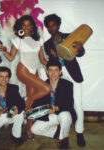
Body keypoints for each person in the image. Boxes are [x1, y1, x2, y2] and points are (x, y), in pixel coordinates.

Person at [2, 15, 51, 138]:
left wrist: (53, 64)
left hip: (34, 72)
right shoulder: (18, 40)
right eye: (24, 25)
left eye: (29, 25)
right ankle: (24, 103)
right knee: (46, 89)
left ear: (33, 27)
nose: (27, 27)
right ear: (20, 27)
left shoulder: (38, 40)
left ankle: (28, 128)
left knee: (32, 99)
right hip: (23, 70)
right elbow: (11, 57)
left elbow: (43, 59)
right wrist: (3, 50)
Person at [43, 14, 86, 146]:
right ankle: (63, 132)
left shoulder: (70, 36)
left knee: (77, 105)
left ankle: (79, 133)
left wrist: (80, 48)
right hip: (59, 77)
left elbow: (81, 52)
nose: (52, 28)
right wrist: (54, 58)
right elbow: (51, 64)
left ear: (59, 24)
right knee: (62, 104)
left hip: (73, 75)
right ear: (47, 28)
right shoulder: (47, 44)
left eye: (54, 25)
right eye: (49, 26)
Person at [31, 60, 77, 149]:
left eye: (56, 70)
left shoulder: (67, 84)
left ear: (60, 72)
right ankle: (56, 132)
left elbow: (69, 104)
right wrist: (45, 110)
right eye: (50, 70)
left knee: (65, 116)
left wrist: (56, 108)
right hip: (50, 115)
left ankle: (64, 139)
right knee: (34, 129)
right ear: (47, 71)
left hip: (63, 113)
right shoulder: (43, 85)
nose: (53, 73)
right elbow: (37, 103)